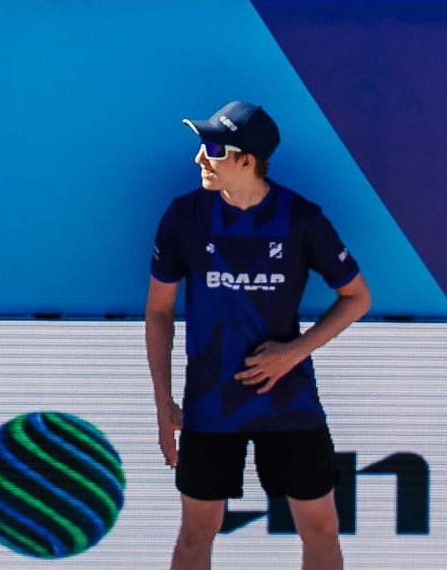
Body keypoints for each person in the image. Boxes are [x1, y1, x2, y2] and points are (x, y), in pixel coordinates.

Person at [145, 100, 369, 570]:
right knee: (196, 534)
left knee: (322, 531)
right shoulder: (184, 216)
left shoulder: (301, 219)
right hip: (210, 402)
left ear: (247, 160)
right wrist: (163, 402)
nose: (199, 158)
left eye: (213, 149)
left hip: (287, 399)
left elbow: (357, 297)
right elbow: (159, 311)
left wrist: (293, 353)